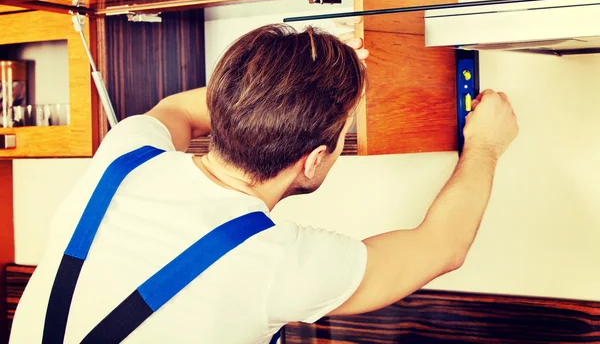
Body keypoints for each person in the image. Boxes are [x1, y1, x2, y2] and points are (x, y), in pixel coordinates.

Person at [10, 24, 518, 344]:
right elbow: (442, 247)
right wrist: (486, 146)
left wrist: (291, 79)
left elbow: (177, 110)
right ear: (314, 161)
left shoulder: (126, 155)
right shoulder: (274, 260)